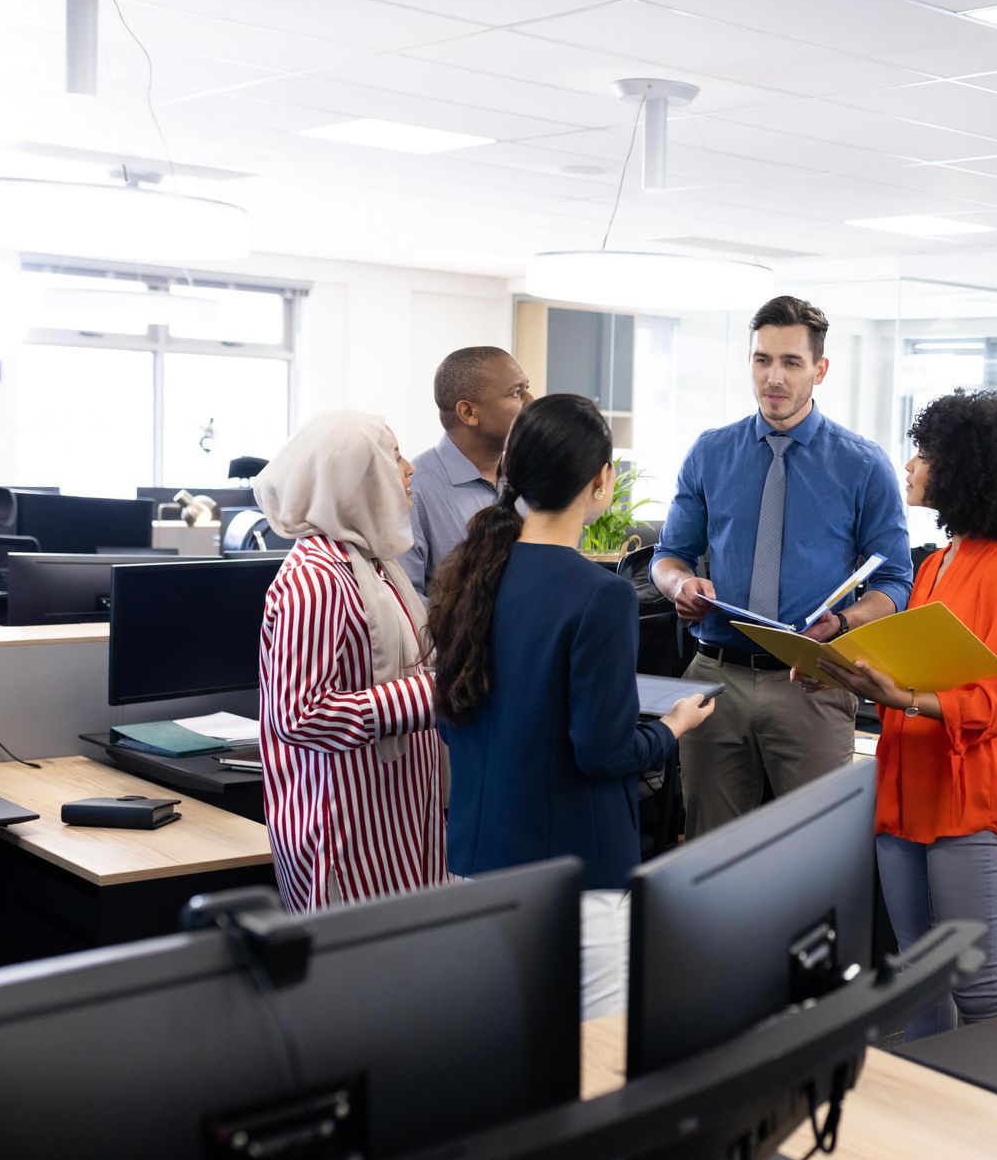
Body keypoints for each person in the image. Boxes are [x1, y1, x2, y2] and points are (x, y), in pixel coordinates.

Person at [427, 394, 716, 1018]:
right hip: (573, 878)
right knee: (592, 1069)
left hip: (475, 863)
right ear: (601, 480)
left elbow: (459, 717)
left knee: (497, 1059)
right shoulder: (600, 594)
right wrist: (672, 727)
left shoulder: (469, 576)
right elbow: (603, 749)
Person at [810, 389, 997, 1040]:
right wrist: (843, 670)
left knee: (976, 986)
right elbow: (911, 668)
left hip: (964, 800)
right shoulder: (936, 564)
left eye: (923, 454)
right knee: (919, 978)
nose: (911, 465)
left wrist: (903, 698)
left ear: (964, 469)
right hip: (906, 788)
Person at [652, 295, 911, 836]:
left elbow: (893, 581)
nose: (774, 377)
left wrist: (842, 624)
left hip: (812, 682)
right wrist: (680, 583)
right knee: (708, 851)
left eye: (791, 362)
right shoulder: (710, 452)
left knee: (816, 851)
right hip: (716, 675)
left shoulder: (862, 465)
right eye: (762, 359)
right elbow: (666, 556)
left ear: (819, 369)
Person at [254, 410, 443, 913]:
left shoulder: (373, 563)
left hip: (395, 816)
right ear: (352, 476)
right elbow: (299, 714)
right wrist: (436, 695)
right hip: (342, 830)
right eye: (394, 455)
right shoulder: (314, 580)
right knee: (355, 984)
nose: (409, 469)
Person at [399, 346, 534, 598]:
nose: (532, 402)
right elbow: (407, 601)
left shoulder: (528, 480)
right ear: (468, 413)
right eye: (517, 393)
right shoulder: (414, 491)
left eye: (527, 388)